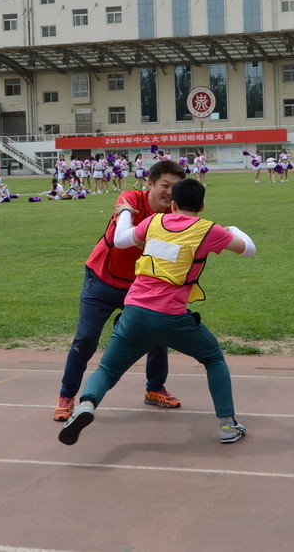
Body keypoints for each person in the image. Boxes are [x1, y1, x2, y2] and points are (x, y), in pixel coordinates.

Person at [59, 177, 256, 446]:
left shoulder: (152, 222)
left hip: (134, 312)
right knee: (213, 358)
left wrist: (126, 211)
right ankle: (227, 424)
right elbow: (249, 250)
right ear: (202, 206)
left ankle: (86, 406)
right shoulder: (208, 230)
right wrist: (233, 229)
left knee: (107, 369)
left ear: (172, 204)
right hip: (172, 318)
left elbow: (121, 239)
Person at [53, 159, 186, 422]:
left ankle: (154, 388)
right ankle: (66, 396)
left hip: (139, 286)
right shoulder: (131, 199)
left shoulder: (175, 214)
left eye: (176, 187)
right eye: (165, 185)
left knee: (157, 335)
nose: (170, 192)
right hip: (101, 279)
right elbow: (121, 240)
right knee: (86, 340)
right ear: (149, 184)